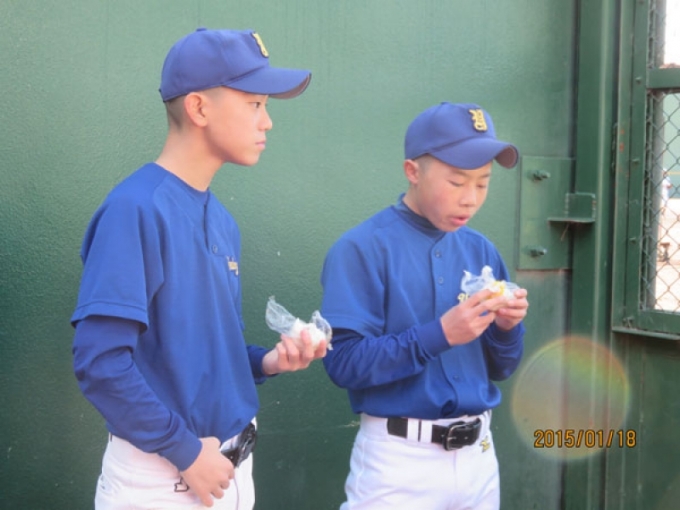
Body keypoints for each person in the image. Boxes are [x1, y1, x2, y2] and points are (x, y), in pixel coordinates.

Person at [71, 28, 326, 510]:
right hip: (162, 479)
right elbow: (100, 362)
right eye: (254, 104)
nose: (267, 121)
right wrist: (184, 449)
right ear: (199, 108)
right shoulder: (136, 208)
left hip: (228, 470)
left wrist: (268, 362)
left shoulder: (221, 220)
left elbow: (196, 354)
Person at [320, 102, 529, 510]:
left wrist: (507, 328)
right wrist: (440, 335)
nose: (470, 199)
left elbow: (502, 368)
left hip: (479, 455)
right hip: (399, 459)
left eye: (483, 183)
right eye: (457, 182)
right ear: (413, 171)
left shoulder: (481, 250)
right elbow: (342, 364)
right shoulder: (361, 247)